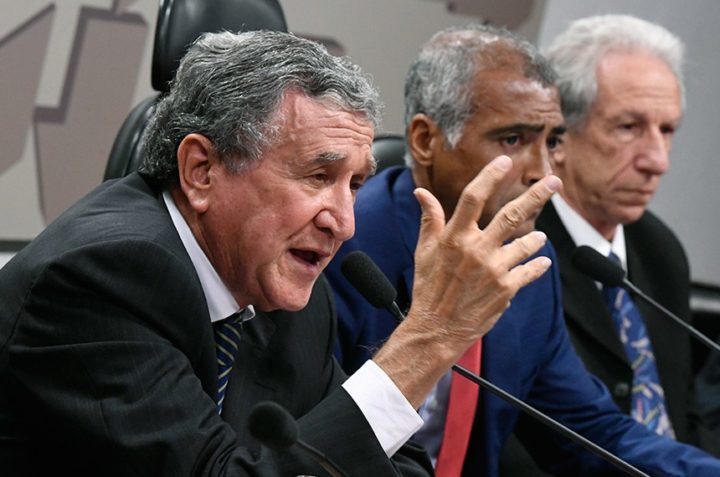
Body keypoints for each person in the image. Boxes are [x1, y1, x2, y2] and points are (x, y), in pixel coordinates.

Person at [0, 30, 559, 476]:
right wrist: (429, 338)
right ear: (202, 170)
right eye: (318, 176)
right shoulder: (101, 278)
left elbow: (384, 455)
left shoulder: (281, 286)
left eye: (356, 184)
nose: (342, 224)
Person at [325, 23, 720, 476]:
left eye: (551, 141)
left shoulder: (527, 260)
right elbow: (316, 441)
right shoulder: (348, 247)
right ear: (425, 140)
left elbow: (591, 431)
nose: (542, 172)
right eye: (512, 140)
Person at [536, 14, 694, 441]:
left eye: (667, 130)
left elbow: (684, 414)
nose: (657, 161)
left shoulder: (659, 249)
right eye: (629, 127)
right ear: (559, 136)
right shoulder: (519, 247)